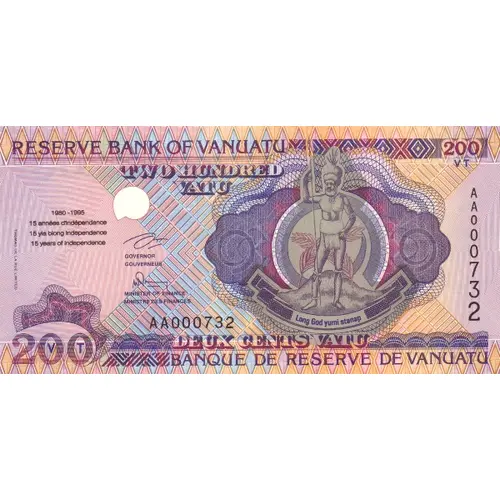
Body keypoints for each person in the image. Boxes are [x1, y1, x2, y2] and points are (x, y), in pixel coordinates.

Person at [301, 147, 355, 310]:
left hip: (339, 237)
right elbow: (305, 199)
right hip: (324, 238)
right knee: (317, 270)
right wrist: (304, 180)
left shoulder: (343, 199)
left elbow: (352, 217)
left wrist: (345, 231)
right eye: (327, 183)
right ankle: (314, 300)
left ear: (337, 183)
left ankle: (336, 300)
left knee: (338, 271)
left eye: (332, 183)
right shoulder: (321, 198)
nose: (329, 186)